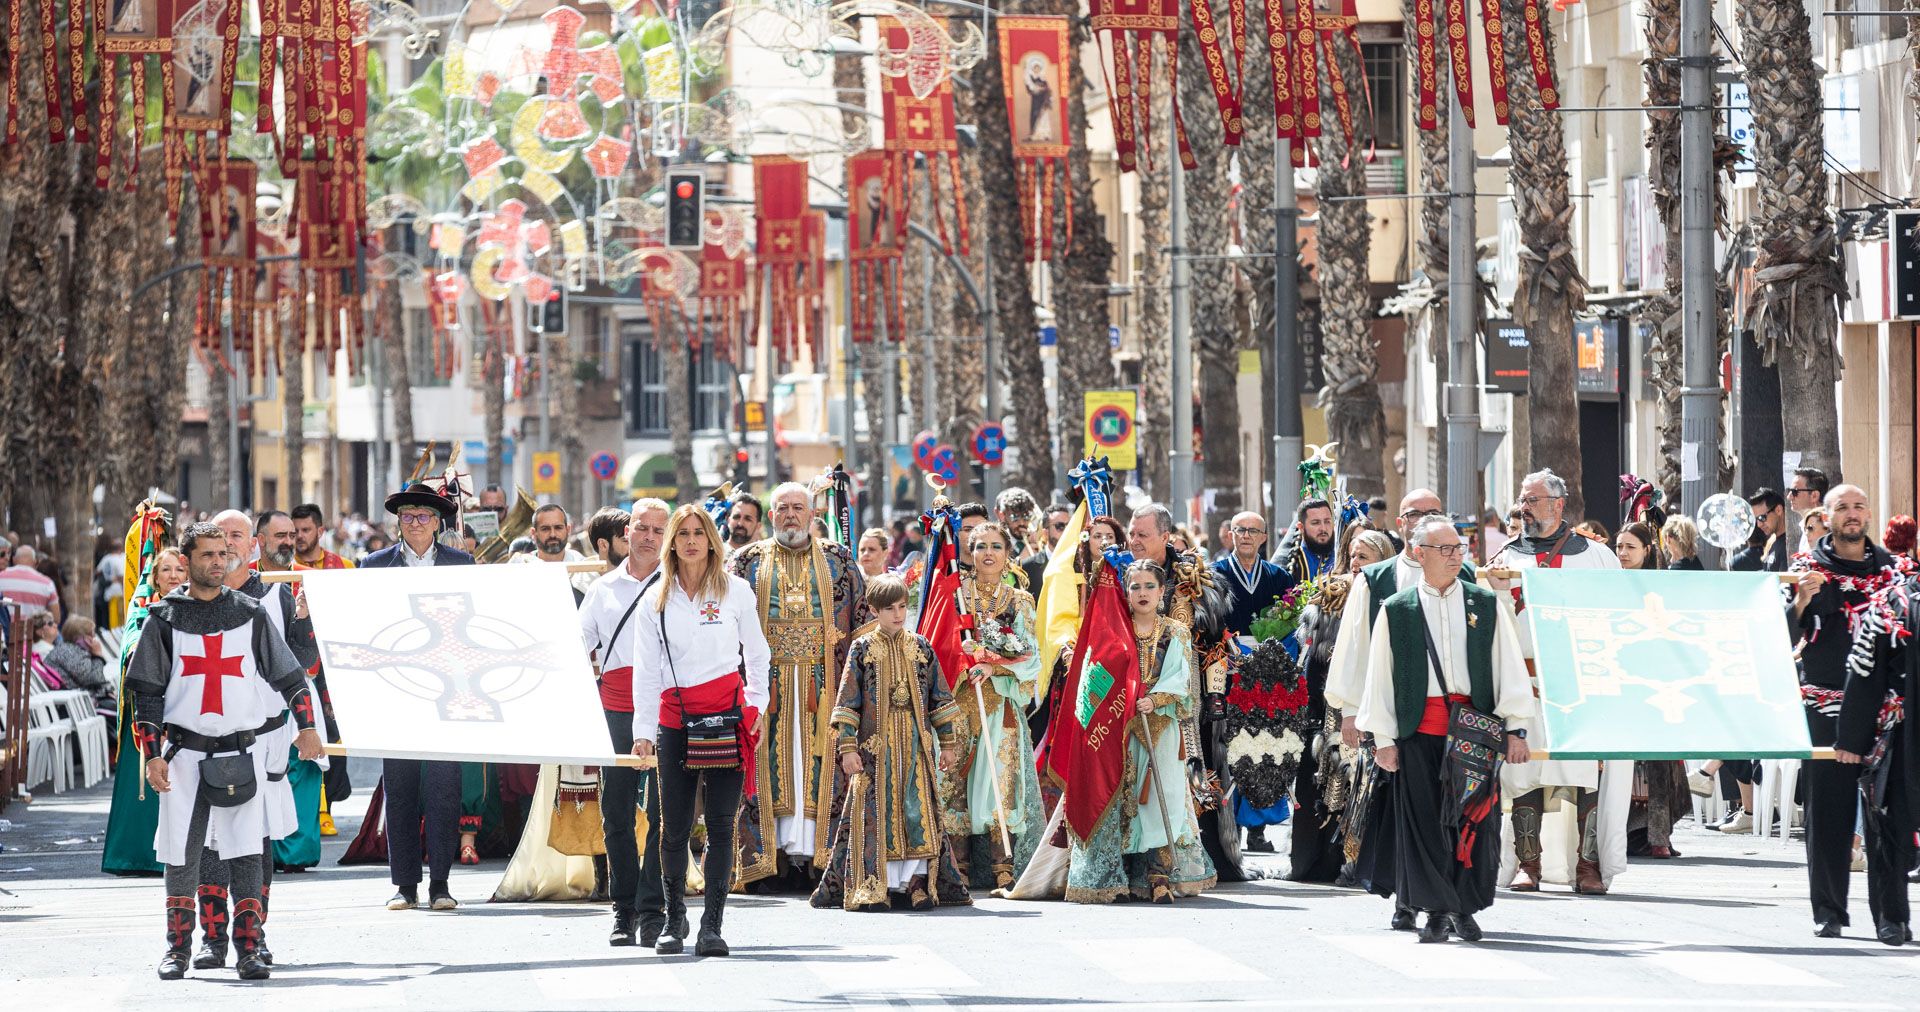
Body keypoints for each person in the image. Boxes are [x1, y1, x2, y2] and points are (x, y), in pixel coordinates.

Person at [124, 522, 321, 980]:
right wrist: (152, 754)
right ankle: (178, 948)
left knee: (247, 850)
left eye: (221, 553)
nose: (217, 561)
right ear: (188, 560)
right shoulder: (163, 619)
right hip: (184, 756)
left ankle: (249, 948)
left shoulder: (250, 615)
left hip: (239, 753)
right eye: (207, 555)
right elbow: (147, 694)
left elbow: (291, 678)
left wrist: (307, 727)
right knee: (182, 852)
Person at [1359, 515, 1536, 944]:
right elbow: (1381, 676)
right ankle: (1437, 910)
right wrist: (1383, 739)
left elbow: (1507, 668)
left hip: (1475, 733)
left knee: (1474, 821)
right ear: (1419, 554)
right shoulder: (1397, 610)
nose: (1457, 556)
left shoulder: (1484, 603)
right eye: (1446, 549)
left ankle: (1464, 906)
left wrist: (1516, 730)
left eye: (1459, 548)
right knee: (1424, 824)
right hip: (1419, 732)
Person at [631, 504, 771, 957]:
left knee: (722, 824)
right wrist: (643, 730)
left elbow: (758, 653)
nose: (691, 540)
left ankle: (713, 924)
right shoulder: (655, 598)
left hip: (729, 718)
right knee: (672, 827)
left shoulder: (736, 591)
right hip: (675, 719)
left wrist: (757, 706)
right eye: (683, 533)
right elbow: (647, 671)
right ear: (672, 541)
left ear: (712, 539)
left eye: (699, 532)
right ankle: (675, 919)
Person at [1485, 469, 1628, 896]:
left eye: (1532, 500)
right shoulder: (1506, 558)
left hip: (1581, 684)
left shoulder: (1597, 557)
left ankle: (1588, 866)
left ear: (1558, 504)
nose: (1524, 508)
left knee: (1586, 772)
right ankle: (1529, 864)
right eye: (1522, 501)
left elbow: (1618, 616)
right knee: (1524, 770)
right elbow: (1494, 625)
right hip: (1524, 683)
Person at [726, 482, 869, 889]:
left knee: (817, 765)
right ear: (771, 517)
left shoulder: (839, 560)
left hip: (823, 684)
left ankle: (819, 861)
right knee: (766, 767)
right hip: (763, 685)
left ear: (812, 515)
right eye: (782, 508)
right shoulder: (745, 562)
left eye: (798, 508)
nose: (790, 515)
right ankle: (766, 862)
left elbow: (862, 625)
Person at [1789, 484, 1915, 939]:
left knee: (1887, 812)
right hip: (1826, 705)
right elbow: (1784, 631)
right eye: (1842, 507)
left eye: (1859, 506)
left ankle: (1892, 916)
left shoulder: (1896, 572)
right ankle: (1829, 910)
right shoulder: (1807, 569)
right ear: (1826, 516)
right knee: (1829, 810)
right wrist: (1801, 600)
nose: (1852, 514)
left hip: (1887, 709)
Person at [1322, 489, 1451, 925]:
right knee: (1398, 807)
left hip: (1444, 711)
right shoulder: (1376, 579)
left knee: (1442, 807)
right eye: (1415, 513)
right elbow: (1355, 647)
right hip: (1391, 709)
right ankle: (1406, 899)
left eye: (1432, 513)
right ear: (1400, 523)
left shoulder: (1462, 573)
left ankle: (1440, 896)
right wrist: (1350, 711)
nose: (1423, 519)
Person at [811, 575, 970, 911]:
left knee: (917, 812)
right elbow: (848, 702)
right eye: (889, 608)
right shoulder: (862, 649)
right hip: (874, 751)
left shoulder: (922, 647)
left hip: (915, 747)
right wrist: (848, 748)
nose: (898, 614)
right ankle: (873, 885)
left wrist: (948, 744)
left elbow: (939, 699)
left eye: (902, 607)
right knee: (874, 815)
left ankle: (916, 884)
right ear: (873, 610)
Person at [1064, 560, 1216, 903]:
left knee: (1161, 799)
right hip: (1119, 726)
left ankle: (1159, 876)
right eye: (1135, 587)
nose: (1143, 593)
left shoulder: (1175, 632)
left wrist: (1157, 698)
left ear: (1162, 592)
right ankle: (1119, 875)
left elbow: (1181, 679)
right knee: (1122, 797)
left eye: (1150, 586)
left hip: (1159, 725)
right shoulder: (1115, 630)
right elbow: (1096, 677)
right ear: (1125, 592)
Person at [358, 481, 476, 910]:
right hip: (398, 689)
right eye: (407, 516)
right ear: (398, 522)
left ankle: (441, 884)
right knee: (401, 787)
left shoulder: (462, 564)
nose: (415, 523)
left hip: (448, 687)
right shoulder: (373, 565)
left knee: (445, 787)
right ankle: (404, 885)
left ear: (438, 521)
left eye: (424, 516)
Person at [572, 500, 669, 944]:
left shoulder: (678, 587)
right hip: (615, 708)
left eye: (657, 530)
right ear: (627, 531)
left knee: (662, 813)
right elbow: (576, 646)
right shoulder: (602, 589)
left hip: (668, 708)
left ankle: (653, 908)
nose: (649, 536)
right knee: (615, 812)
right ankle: (623, 907)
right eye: (642, 527)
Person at [945, 521, 1045, 893]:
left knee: (999, 784)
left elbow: (1030, 654)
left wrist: (993, 664)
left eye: (996, 546)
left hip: (1000, 701)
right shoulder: (955, 594)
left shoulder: (1019, 600)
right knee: (954, 781)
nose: (988, 553)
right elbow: (941, 642)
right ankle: (958, 867)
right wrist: (964, 662)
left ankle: (1002, 866)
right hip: (958, 701)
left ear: (1007, 553)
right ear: (970, 553)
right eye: (980, 546)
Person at [1290, 527, 1395, 881]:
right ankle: (1315, 863)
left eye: (1363, 556)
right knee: (1324, 781)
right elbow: (1311, 657)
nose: (1354, 563)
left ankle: (1357, 862)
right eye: (1351, 555)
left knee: (1361, 784)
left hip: (1371, 704)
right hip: (1326, 707)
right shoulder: (1330, 595)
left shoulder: (1390, 593)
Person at [1841, 563, 1920, 945]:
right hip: (1899, 733)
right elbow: (1865, 673)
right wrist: (1853, 741)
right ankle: (1892, 915)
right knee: (1888, 826)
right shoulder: (1893, 604)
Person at [1212, 510, 1295, 641]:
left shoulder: (1280, 577)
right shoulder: (1214, 574)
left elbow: (1290, 626)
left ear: (1263, 538)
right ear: (1230, 535)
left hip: (1271, 656)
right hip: (1227, 656)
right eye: (1240, 530)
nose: (1246, 536)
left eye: (1253, 531)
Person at [45, 616, 117, 720]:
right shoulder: (68, 652)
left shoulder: (74, 650)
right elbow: (95, 679)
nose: (94, 638)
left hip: (80, 702)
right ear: (80, 637)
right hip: (74, 707)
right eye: (91, 635)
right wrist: (98, 656)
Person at [1274, 497, 1339, 584]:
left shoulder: (1342, 556)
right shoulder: (1289, 564)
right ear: (1301, 527)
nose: (1323, 528)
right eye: (1316, 523)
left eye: (1327, 521)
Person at [1731, 489, 1791, 572]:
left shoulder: (1791, 543)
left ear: (1778, 510)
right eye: (1756, 520)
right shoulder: (1771, 541)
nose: (1759, 525)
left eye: (1762, 518)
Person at [1, 543, 60, 620]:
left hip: (5, 630)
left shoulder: (1, 577)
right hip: (33, 630)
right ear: (35, 561)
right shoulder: (47, 583)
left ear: (13, 560)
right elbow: (56, 618)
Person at [289, 504, 354, 570]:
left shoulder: (344, 566)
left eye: (305, 530)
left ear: (320, 532)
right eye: (295, 531)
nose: (299, 536)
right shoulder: (284, 568)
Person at [1789, 467, 1831, 552]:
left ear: (1814, 496)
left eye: (1795, 492)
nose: (1789, 497)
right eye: (1790, 491)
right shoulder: (1805, 526)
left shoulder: (1826, 526)